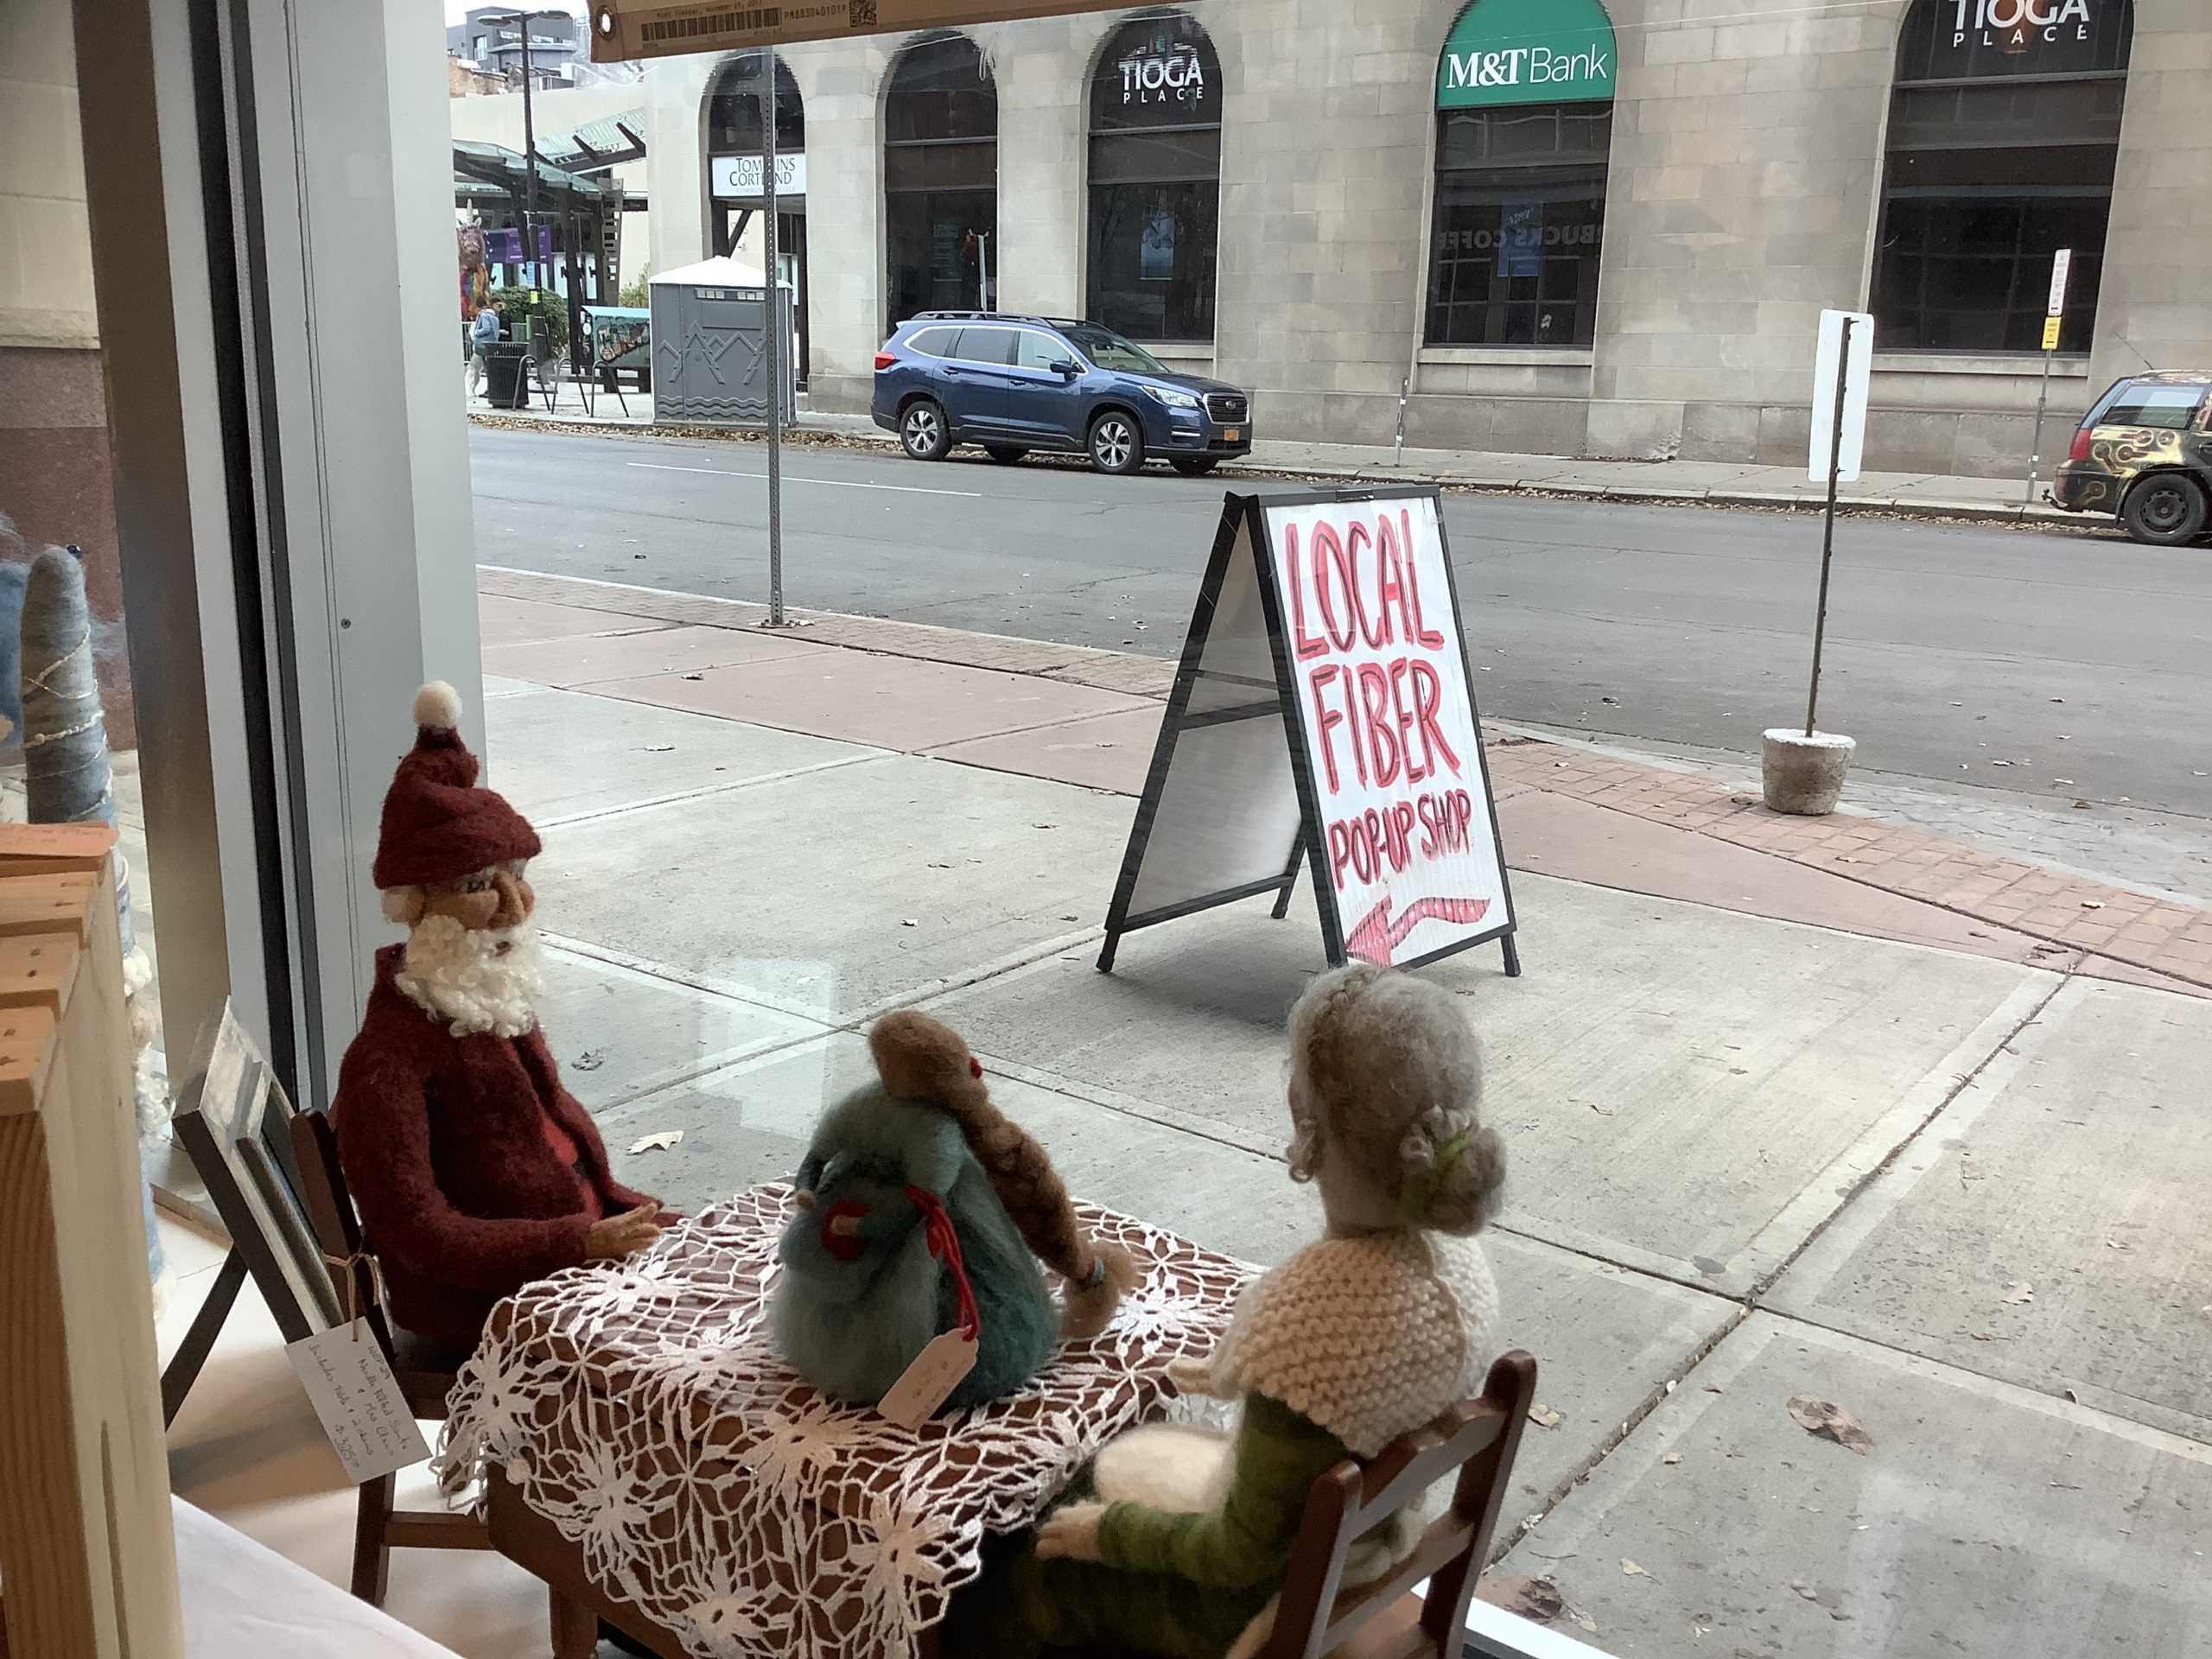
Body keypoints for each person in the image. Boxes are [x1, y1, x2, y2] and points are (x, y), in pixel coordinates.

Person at [944, 962, 1505, 1659]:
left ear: (1308, 1125)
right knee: (1098, 1470)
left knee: (1020, 1569)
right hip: (1365, 1548)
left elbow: (1235, 1555)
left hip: (1256, 1605)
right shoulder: (1464, 1273)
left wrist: (1103, 1533)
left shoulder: (1309, 1335)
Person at [333, 682, 667, 1363]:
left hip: (575, 1255)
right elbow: (418, 1232)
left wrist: (602, 1221)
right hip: (493, 1307)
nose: (515, 906)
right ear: (415, 905)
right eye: (481, 885)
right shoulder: (388, 1058)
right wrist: (578, 1244)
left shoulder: (486, 1003)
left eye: (516, 876)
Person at [465, 301, 501, 398]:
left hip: (481, 345)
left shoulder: (484, 315)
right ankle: (491, 389)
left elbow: (486, 329)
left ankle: (470, 390)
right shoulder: (495, 317)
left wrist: (476, 332)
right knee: (489, 368)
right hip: (492, 345)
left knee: (473, 367)